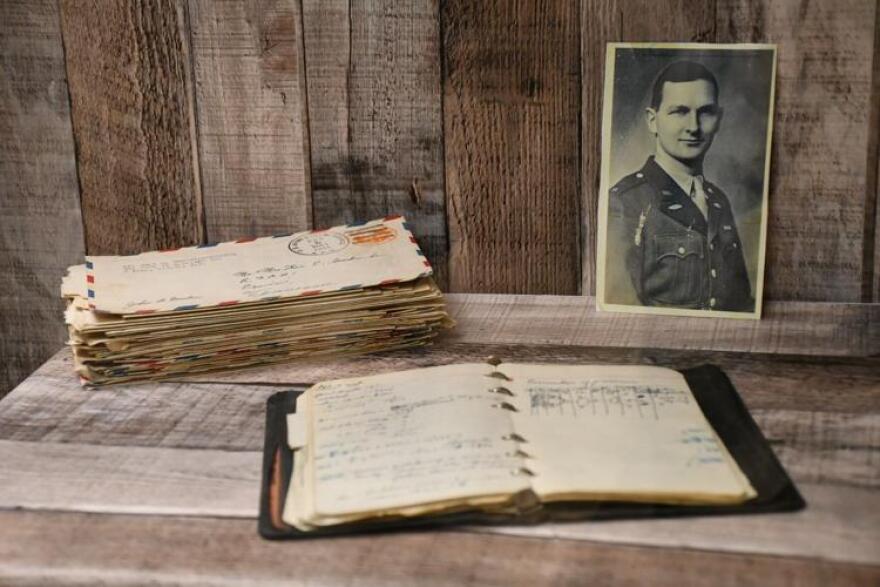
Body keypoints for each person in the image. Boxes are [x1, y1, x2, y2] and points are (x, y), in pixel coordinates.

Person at [606, 60, 753, 312]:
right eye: (679, 111)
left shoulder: (718, 200)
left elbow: (740, 303)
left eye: (705, 112)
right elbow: (621, 307)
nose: (694, 127)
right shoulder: (625, 201)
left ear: (718, 119)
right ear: (652, 120)